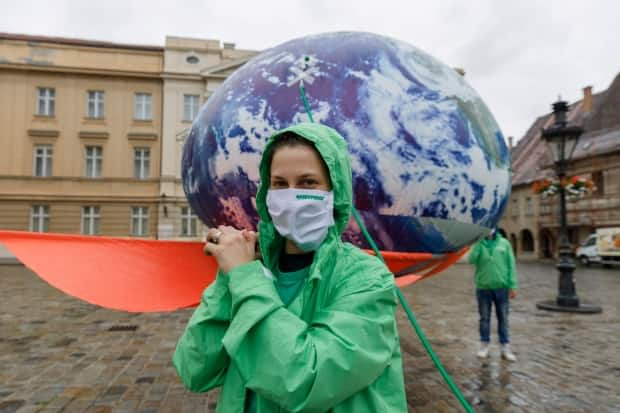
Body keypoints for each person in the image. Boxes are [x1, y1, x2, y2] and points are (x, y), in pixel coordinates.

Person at [173, 122, 407, 412]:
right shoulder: (251, 268)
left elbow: (303, 381)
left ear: (335, 191)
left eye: (308, 182)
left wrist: (244, 277)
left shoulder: (366, 279)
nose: (292, 196)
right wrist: (228, 279)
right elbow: (194, 369)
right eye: (280, 184)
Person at [468, 228, 518, 361]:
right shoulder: (479, 244)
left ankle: (505, 347)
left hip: (501, 288)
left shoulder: (504, 243)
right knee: (484, 318)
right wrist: (478, 242)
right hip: (483, 288)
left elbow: (511, 265)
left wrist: (512, 285)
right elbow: (471, 260)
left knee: (503, 318)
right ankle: (484, 345)